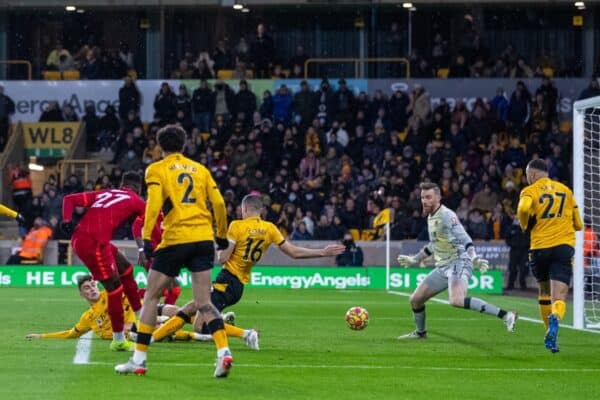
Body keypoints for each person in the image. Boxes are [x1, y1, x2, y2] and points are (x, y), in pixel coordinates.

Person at [150, 194, 344, 347]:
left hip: (227, 279)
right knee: (192, 307)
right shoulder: (270, 229)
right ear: (260, 211)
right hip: (238, 286)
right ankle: (151, 338)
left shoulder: (237, 226)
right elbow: (293, 252)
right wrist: (322, 252)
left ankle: (245, 334)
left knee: (200, 326)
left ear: (244, 209)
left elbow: (223, 258)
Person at [115, 125, 232, 378]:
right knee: (203, 302)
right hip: (203, 239)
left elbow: (154, 204)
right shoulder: (200, 170)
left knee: (151, 298)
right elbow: (220, 203)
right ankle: (223, 352)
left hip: (176, 238)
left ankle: (139, 360)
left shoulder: (156, 169)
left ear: (159, 146)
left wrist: (146, 238)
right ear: (184, 144)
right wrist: (221, 235)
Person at [396, 182, 518, 340]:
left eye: (428, 197)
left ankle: (506, 315)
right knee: (415, 300)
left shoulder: (447, 215)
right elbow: (434, 244)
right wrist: (415, 259)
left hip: (458, 262)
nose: (424, 201)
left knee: (456, 300)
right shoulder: (431, 217)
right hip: (443, 266)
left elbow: (465, 238)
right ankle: (420, 333)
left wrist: (474, 258)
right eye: (422, 198)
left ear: (438, 197)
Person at [61, 171, 145, 352]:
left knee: (126, 269)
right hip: (93, 244)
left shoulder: (106, 193)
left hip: (86, 238)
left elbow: (69, 199)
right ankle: (119, 340)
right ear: (138, 188)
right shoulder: (137, 200)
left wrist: (67, 220)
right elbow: (151, 221)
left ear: (123, 184)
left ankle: (142, 319)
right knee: (114, 289)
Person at [517, 159, 583, 353]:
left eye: (528, 175)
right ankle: (555, 318)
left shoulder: (530, 191)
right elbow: (578, 224)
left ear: (534, 174)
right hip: (563, 246)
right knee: (560, 296)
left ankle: (549, 333)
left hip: (540, 248)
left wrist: (524, 224)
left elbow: (522, 209)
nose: (527, 178)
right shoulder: (566, 191)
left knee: (544, 292)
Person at [25, 274, 208, 342]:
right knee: (162, 329)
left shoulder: (111, 294)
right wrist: (42, 336)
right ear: (82, 295)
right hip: (136, 328)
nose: (92, 289)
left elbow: (130, 295)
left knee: (170, 309)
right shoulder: (88, 317)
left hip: (141, 314)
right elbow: (71, 333)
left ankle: (211, 322)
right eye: (86, 289)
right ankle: (202, 334)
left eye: (93, 285)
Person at [504, 216, 530, 291]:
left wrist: (527, 245)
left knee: (523, 269)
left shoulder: (526, 228)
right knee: (512, 268)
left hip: (524, 251)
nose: (518, 220)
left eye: (519, 219)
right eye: (516, 219)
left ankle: (523, 285)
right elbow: (507, 238)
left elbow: (530, 238)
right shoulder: (511, 228)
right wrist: (511, 244)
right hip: (514, 251)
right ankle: (510, 285)